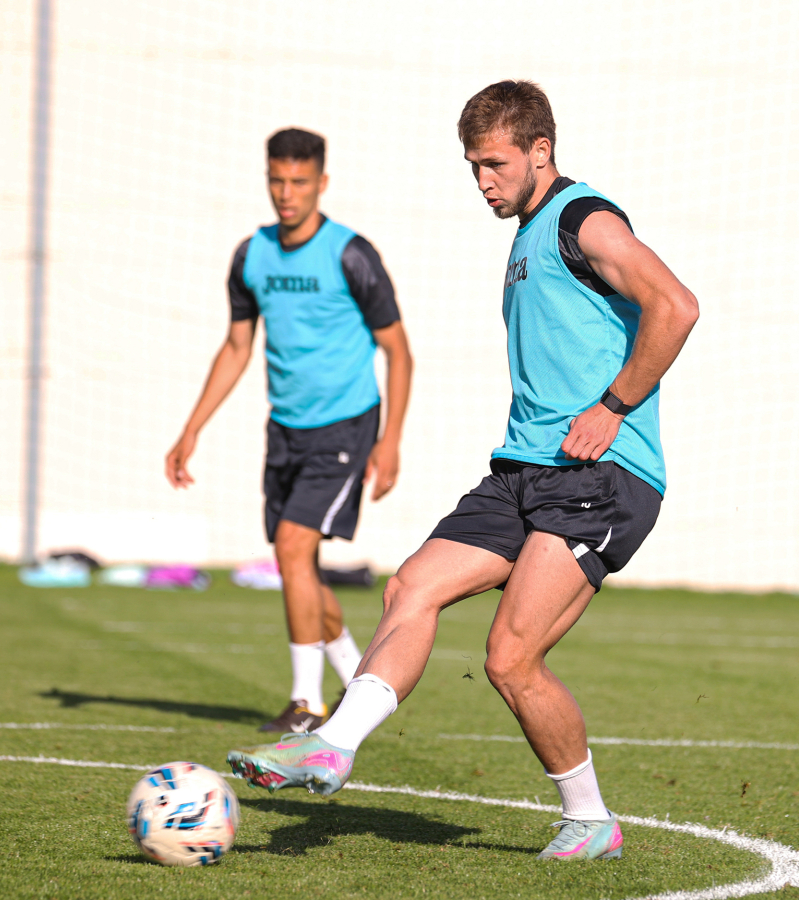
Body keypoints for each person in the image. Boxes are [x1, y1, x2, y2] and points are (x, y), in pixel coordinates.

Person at [227, 81, 698, 861]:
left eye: (494, 164)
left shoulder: (583, 219)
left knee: (510, 658)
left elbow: (676, 305)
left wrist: (614, 406)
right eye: (473, 165)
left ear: (540, 152)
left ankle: (591, 821)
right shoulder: (529, 232)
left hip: (601, 475)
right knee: (410, 587)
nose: (482, 180)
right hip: (523, 469)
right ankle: (332, 746)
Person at [167, 128, 413, 734]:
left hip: (346, 427)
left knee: (293, 550)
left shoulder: (351, 254)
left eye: (299, 182)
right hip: (285, 430)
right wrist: (192, 428)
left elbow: (398, 352)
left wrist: (390, 441)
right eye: (277, 180)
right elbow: (236, 345)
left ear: (321, 183)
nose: (286, 193)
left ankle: (307, 703)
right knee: (294, 561)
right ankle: (358, 676)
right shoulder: (251, 256)